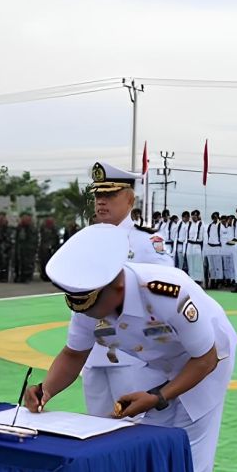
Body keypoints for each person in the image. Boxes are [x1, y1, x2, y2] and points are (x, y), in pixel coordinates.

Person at [26, 223, 236, 472]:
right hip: (158, 362)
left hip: (206, 361)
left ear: (119, 286)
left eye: (95, 307)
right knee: (148, 453)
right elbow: (73, 354)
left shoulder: (169, 291)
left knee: (187, 463)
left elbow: (205, 359)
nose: (90, 315)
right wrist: (45, 391)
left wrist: (158, 396)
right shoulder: (89, 299)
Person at [78, 161, 173, 418]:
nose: (101, 201)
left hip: (132, 352)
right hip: (94, 350)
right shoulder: (87, 239)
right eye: (98, 195)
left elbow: (166, 291)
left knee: (132, 426)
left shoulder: (147, 241)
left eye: (109, 194)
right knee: (96, 426)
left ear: (129, 199)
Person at [14, 212, 38, 283]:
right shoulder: (19, 227)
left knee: (28, 263)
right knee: (19, 263)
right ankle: (20, 277)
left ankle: (27, 277)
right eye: (23, 218)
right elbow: (17, 238)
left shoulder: (32, 228)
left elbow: (34, 239)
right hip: (21, 248)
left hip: (29, 249)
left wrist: (33, 248)